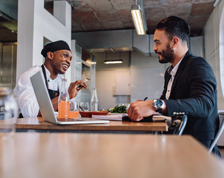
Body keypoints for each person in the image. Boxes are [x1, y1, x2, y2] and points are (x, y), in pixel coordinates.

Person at [127, 16, 221, 157]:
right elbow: (168, 103)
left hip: (196, 147)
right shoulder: (170, 71)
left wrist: (155, 104)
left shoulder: (198, 65)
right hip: (178, 138)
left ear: (174, 42)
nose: (154, 48)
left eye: (157, 43)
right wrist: (147, 107)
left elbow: (204, 104)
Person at [14, 40, 87, 118]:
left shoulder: (61, 80)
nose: (69, 61)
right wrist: (66, 95)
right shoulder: (31, 76)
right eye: (65, 56)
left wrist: (70, 96)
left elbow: (69, 110)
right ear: (50, 55)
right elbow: (29, 112)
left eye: (70, 59)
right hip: (30, 128)